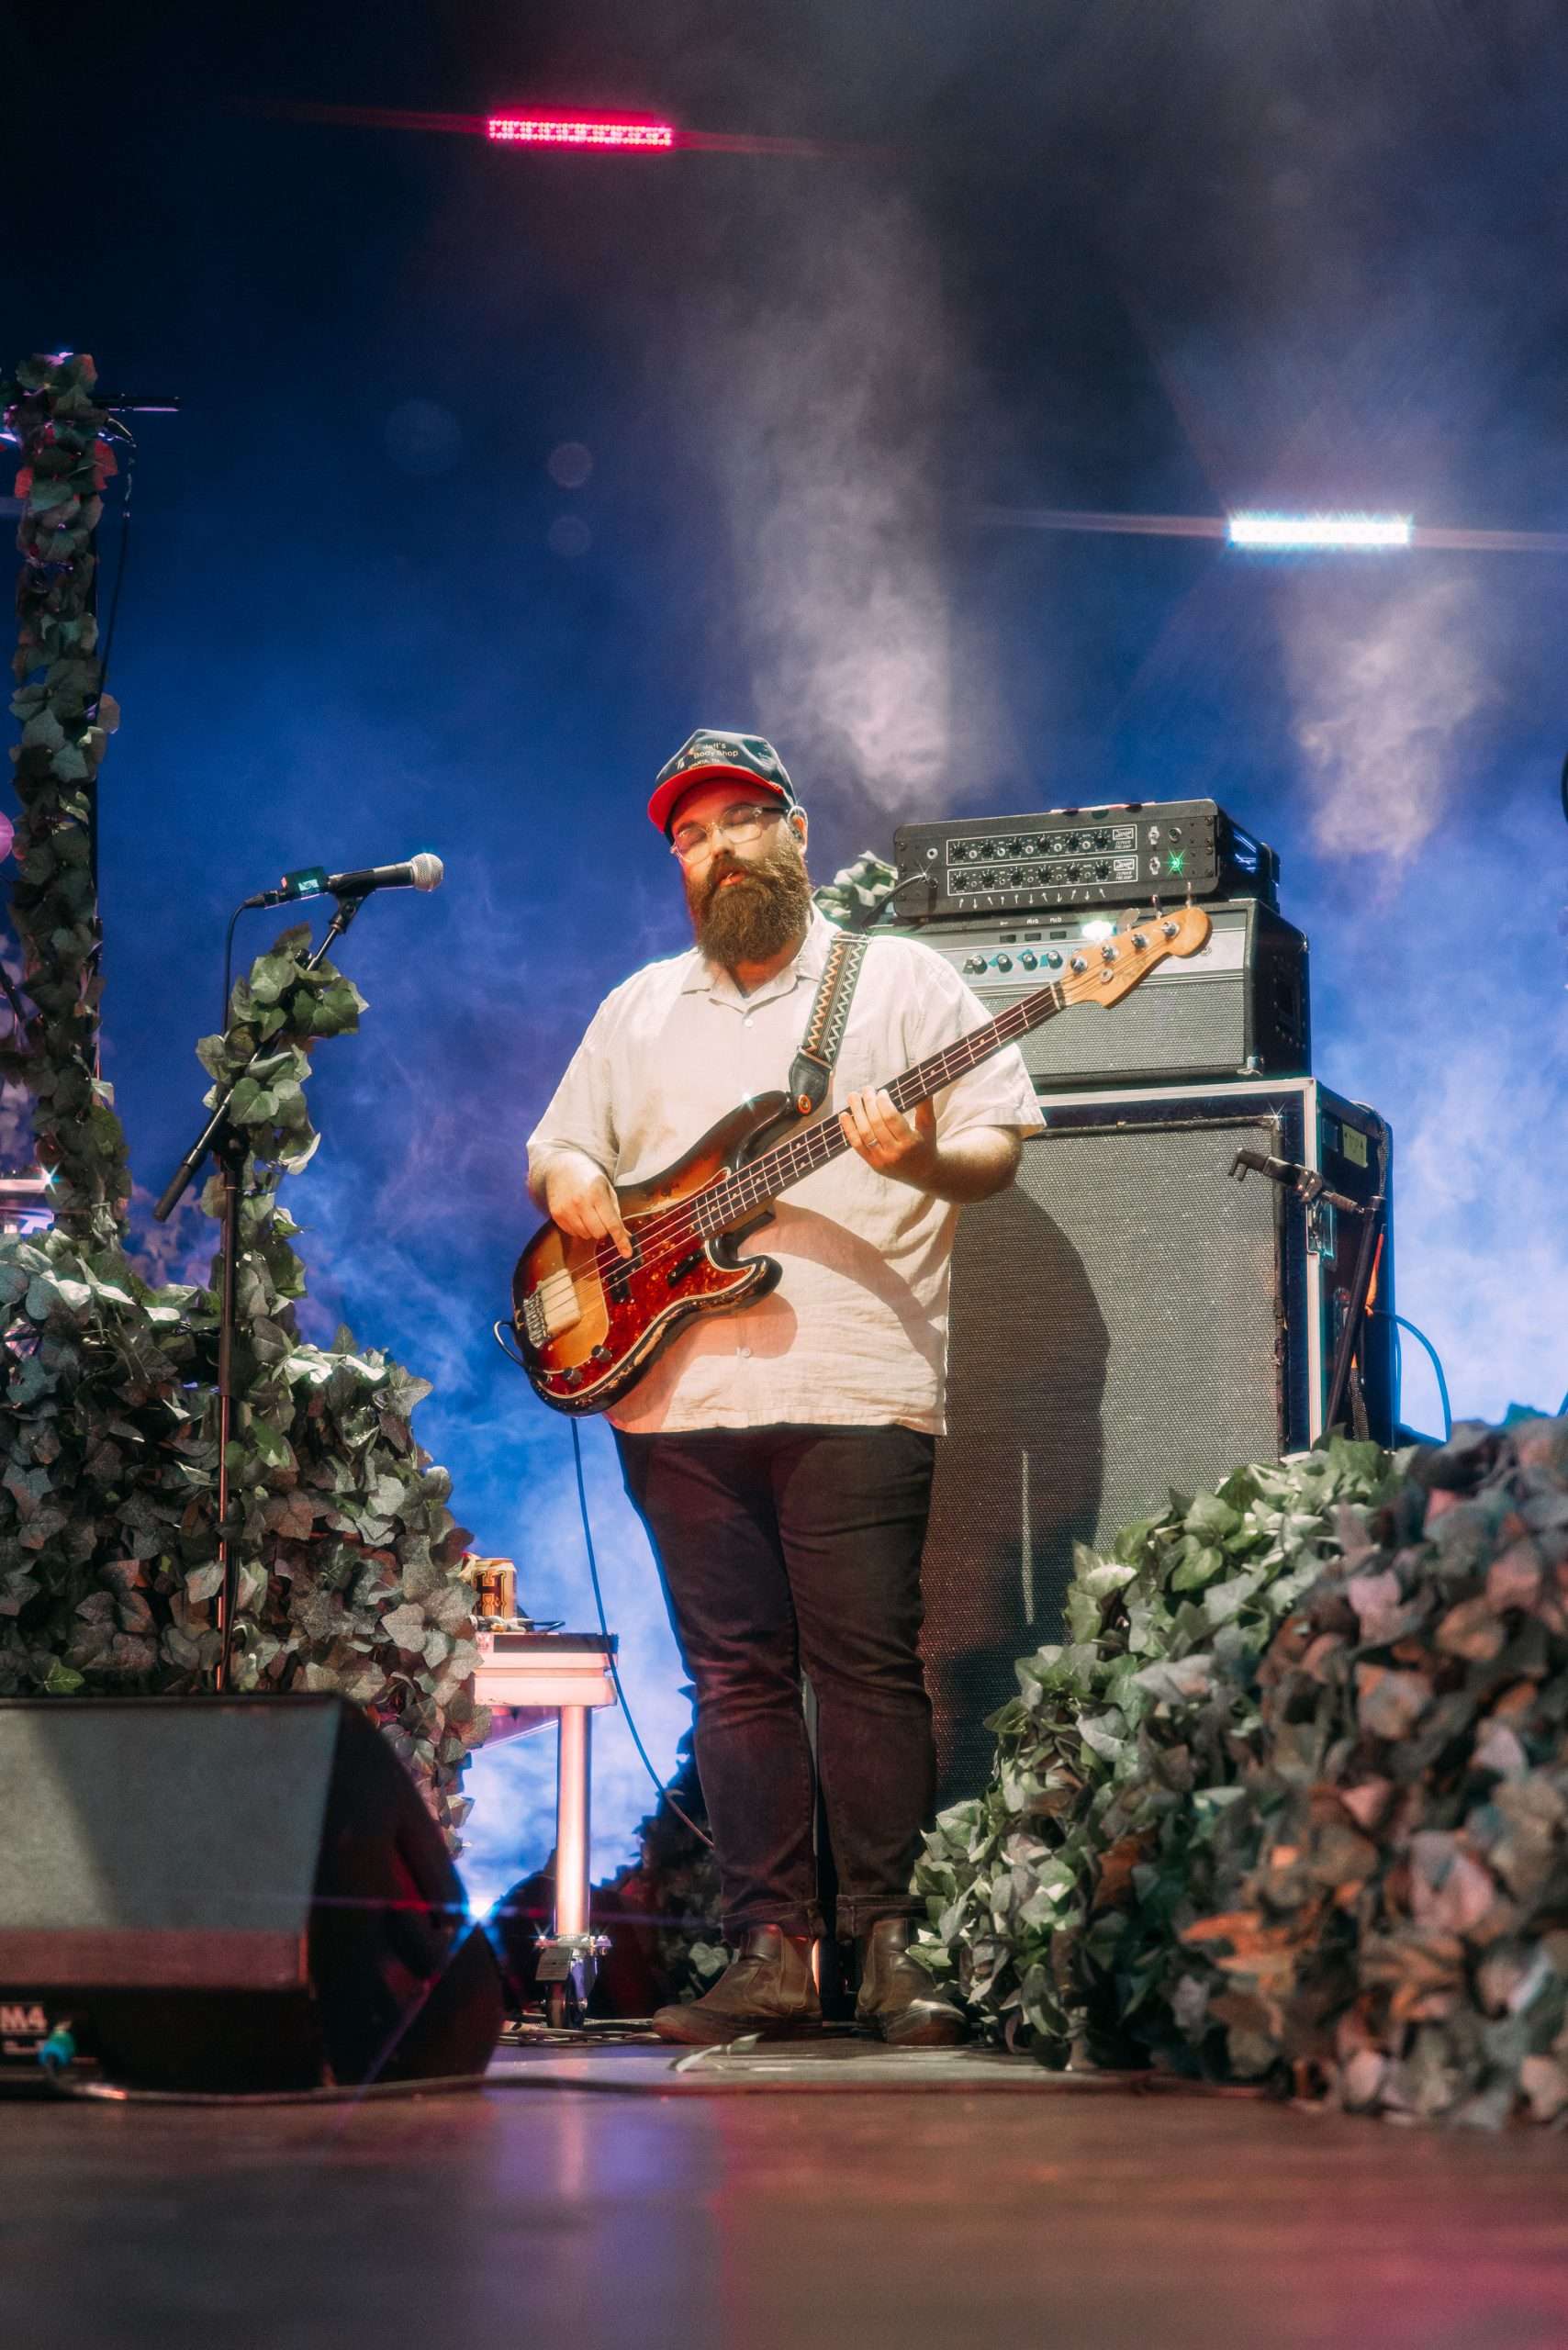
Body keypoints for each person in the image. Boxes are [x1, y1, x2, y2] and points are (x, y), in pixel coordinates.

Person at [526, 729, 1044, 2044]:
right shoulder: (640, 1006)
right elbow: (562, 1147)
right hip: (672, 1395)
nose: (718, 851)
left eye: (741, 821)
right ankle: (771, 1955)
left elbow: (995, 1147)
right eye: (691, 836)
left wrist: (915, 1162)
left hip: (853, 1380)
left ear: (797, 832)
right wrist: (573, 1184)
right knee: (733, 1678)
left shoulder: (904, 981)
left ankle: (893, 1948)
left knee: (865, 1670)